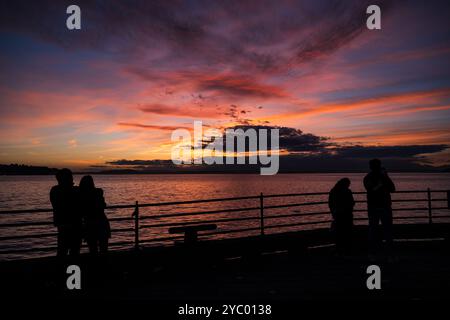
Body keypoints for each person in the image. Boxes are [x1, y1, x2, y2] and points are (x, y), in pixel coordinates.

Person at [363, 159, 396, 255]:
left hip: (380, 207)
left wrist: (386, 177)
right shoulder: (369, 178)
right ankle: (384, 254)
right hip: (378, 208)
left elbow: (392, 189)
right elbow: (371, 190)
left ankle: (377, 254)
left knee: (379, 231)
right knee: (381, 231)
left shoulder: (370, 177)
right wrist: (383, 181)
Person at [50, 168, 82, 257]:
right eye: (71, 177)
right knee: (74, 251)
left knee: (62, 250)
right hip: (74, 224)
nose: (72, 178)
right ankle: (73, 269)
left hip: (62, 224)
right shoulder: (74, 191)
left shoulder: (54, 190)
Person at [79, 175, 110, 255]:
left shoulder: (81, 195)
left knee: (93, 249)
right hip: (102, 222)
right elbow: (103, 205)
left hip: (90, 224)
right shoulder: (98, 192)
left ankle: (94, 265)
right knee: (104, 248)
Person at [328, 178, 355, 254]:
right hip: (347, 215)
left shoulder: (333, 191)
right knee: (347, 231)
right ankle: (347, 247)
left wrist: (333, 212)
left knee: (338, 232)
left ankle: (339, 247)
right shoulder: (348, 191)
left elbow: (330, 203)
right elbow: (352, 202)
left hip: (338, 214)